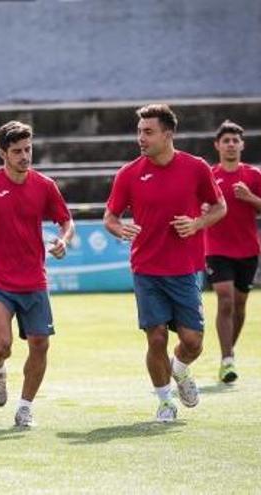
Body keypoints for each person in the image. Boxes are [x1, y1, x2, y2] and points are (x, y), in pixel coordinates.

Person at [104, 104, 225, 422]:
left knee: (192, 342)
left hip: (185, 269)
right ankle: (164, 402)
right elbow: (110, 217)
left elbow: (219, 206)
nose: (141, 138)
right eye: (139, 131)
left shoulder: (196, 167)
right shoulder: (129, 173)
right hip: (146, 270)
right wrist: (120, 228)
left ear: (168, 134)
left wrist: (198, 224)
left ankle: (181, 370)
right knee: (156, 337)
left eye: (148, 131)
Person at [0, 120, 74, 427]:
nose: (25, 156)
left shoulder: (44, 186)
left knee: (40, 345)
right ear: (4, 154)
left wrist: (64, 240)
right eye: (18, 151)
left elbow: (66, 220)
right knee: (1, 346)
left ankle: (25, 407)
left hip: (34, 281)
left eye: (28, 149)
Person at [204, 120, 261, 383]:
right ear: (217, 145)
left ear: (242, 145)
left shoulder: (253, 176)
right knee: (225, 299)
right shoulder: (209, 176)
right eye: (225, 140)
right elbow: (194, 206)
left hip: (248, 249)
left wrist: (250, 198)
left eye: (234, 140)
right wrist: (201, 212)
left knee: (239, 305)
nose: (230, 144)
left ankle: (229, 354)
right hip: (216, 248)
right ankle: (227, 360)